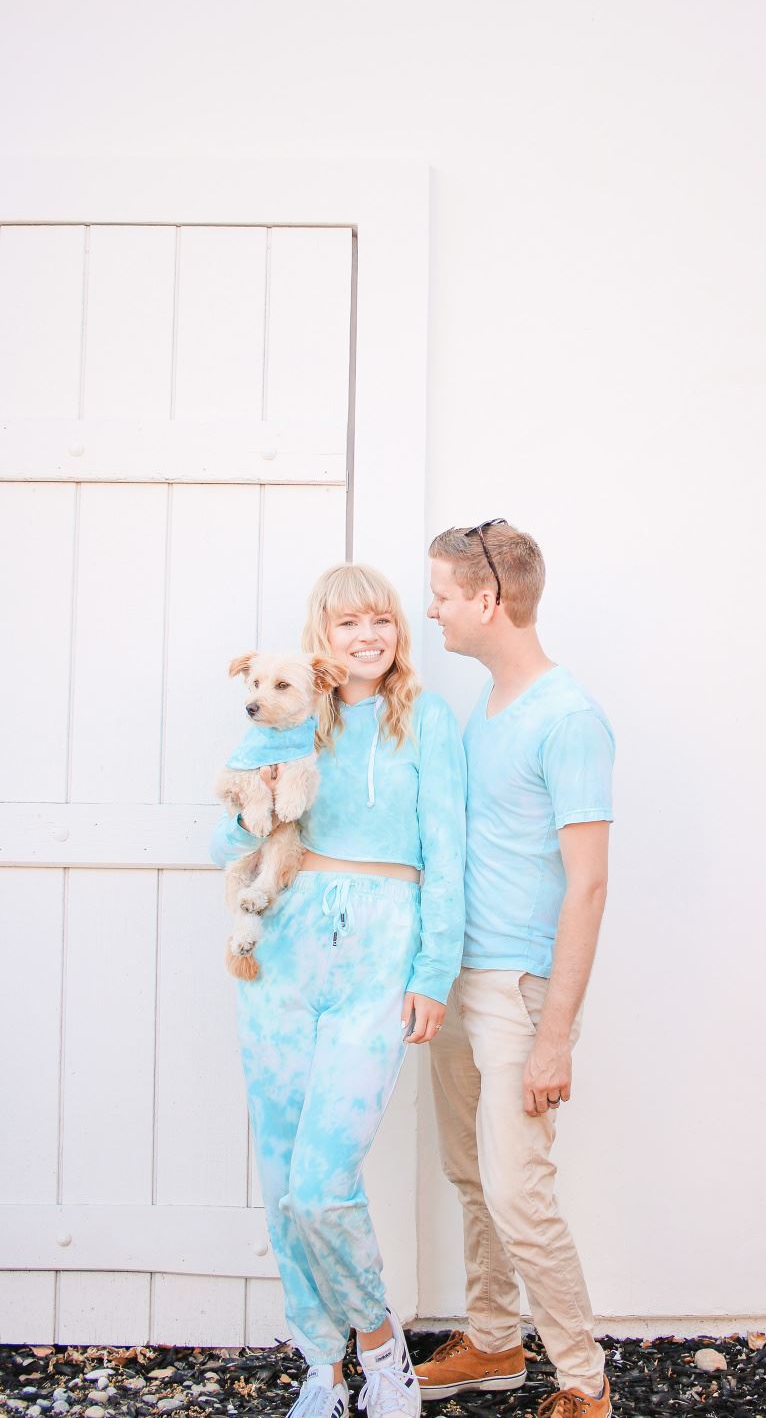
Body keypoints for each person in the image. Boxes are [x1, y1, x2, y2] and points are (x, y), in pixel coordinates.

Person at [210, 563, 466, 1418]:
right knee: (284, 1175)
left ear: (397, 631)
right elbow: (223, 841)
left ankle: (377, 1342)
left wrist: (434, 973)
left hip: (381, 952)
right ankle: (319, 1361)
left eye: (382, 621)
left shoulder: (426, 718)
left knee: (324, 1180)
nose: (368, 638)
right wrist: (259, 803)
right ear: (322, 638)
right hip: (283, 948)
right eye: (348, 624)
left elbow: (448, 856)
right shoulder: (290, 711)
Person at [419, 521, 615, 1418]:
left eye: (446, 596)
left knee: (518, 1193)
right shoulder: (486, 703)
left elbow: (588, 886)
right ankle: (496, 1342)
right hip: (458, 976)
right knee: (469, 1174)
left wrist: (553, 1040)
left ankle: (584, 1381)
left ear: (488, 600)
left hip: (519, 992)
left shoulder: (568, 718)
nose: (434, 611)